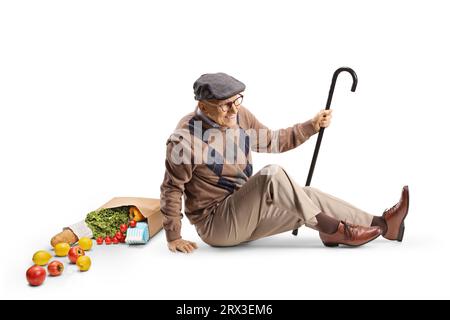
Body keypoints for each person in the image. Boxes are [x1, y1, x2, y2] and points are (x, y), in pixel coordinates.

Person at [160, 72, 409, 253]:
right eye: (226, 105)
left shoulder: (239, 118)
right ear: (203, 105)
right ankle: (332, 229)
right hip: (217, 225)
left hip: (248, 212)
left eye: (238, 100)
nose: (234, 109)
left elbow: (272, 141)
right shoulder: (184, 140)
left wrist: (310, 126)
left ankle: (385, 225)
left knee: (307, 196)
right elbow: (171, 189)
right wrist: (174, 236)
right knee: (272, 175)